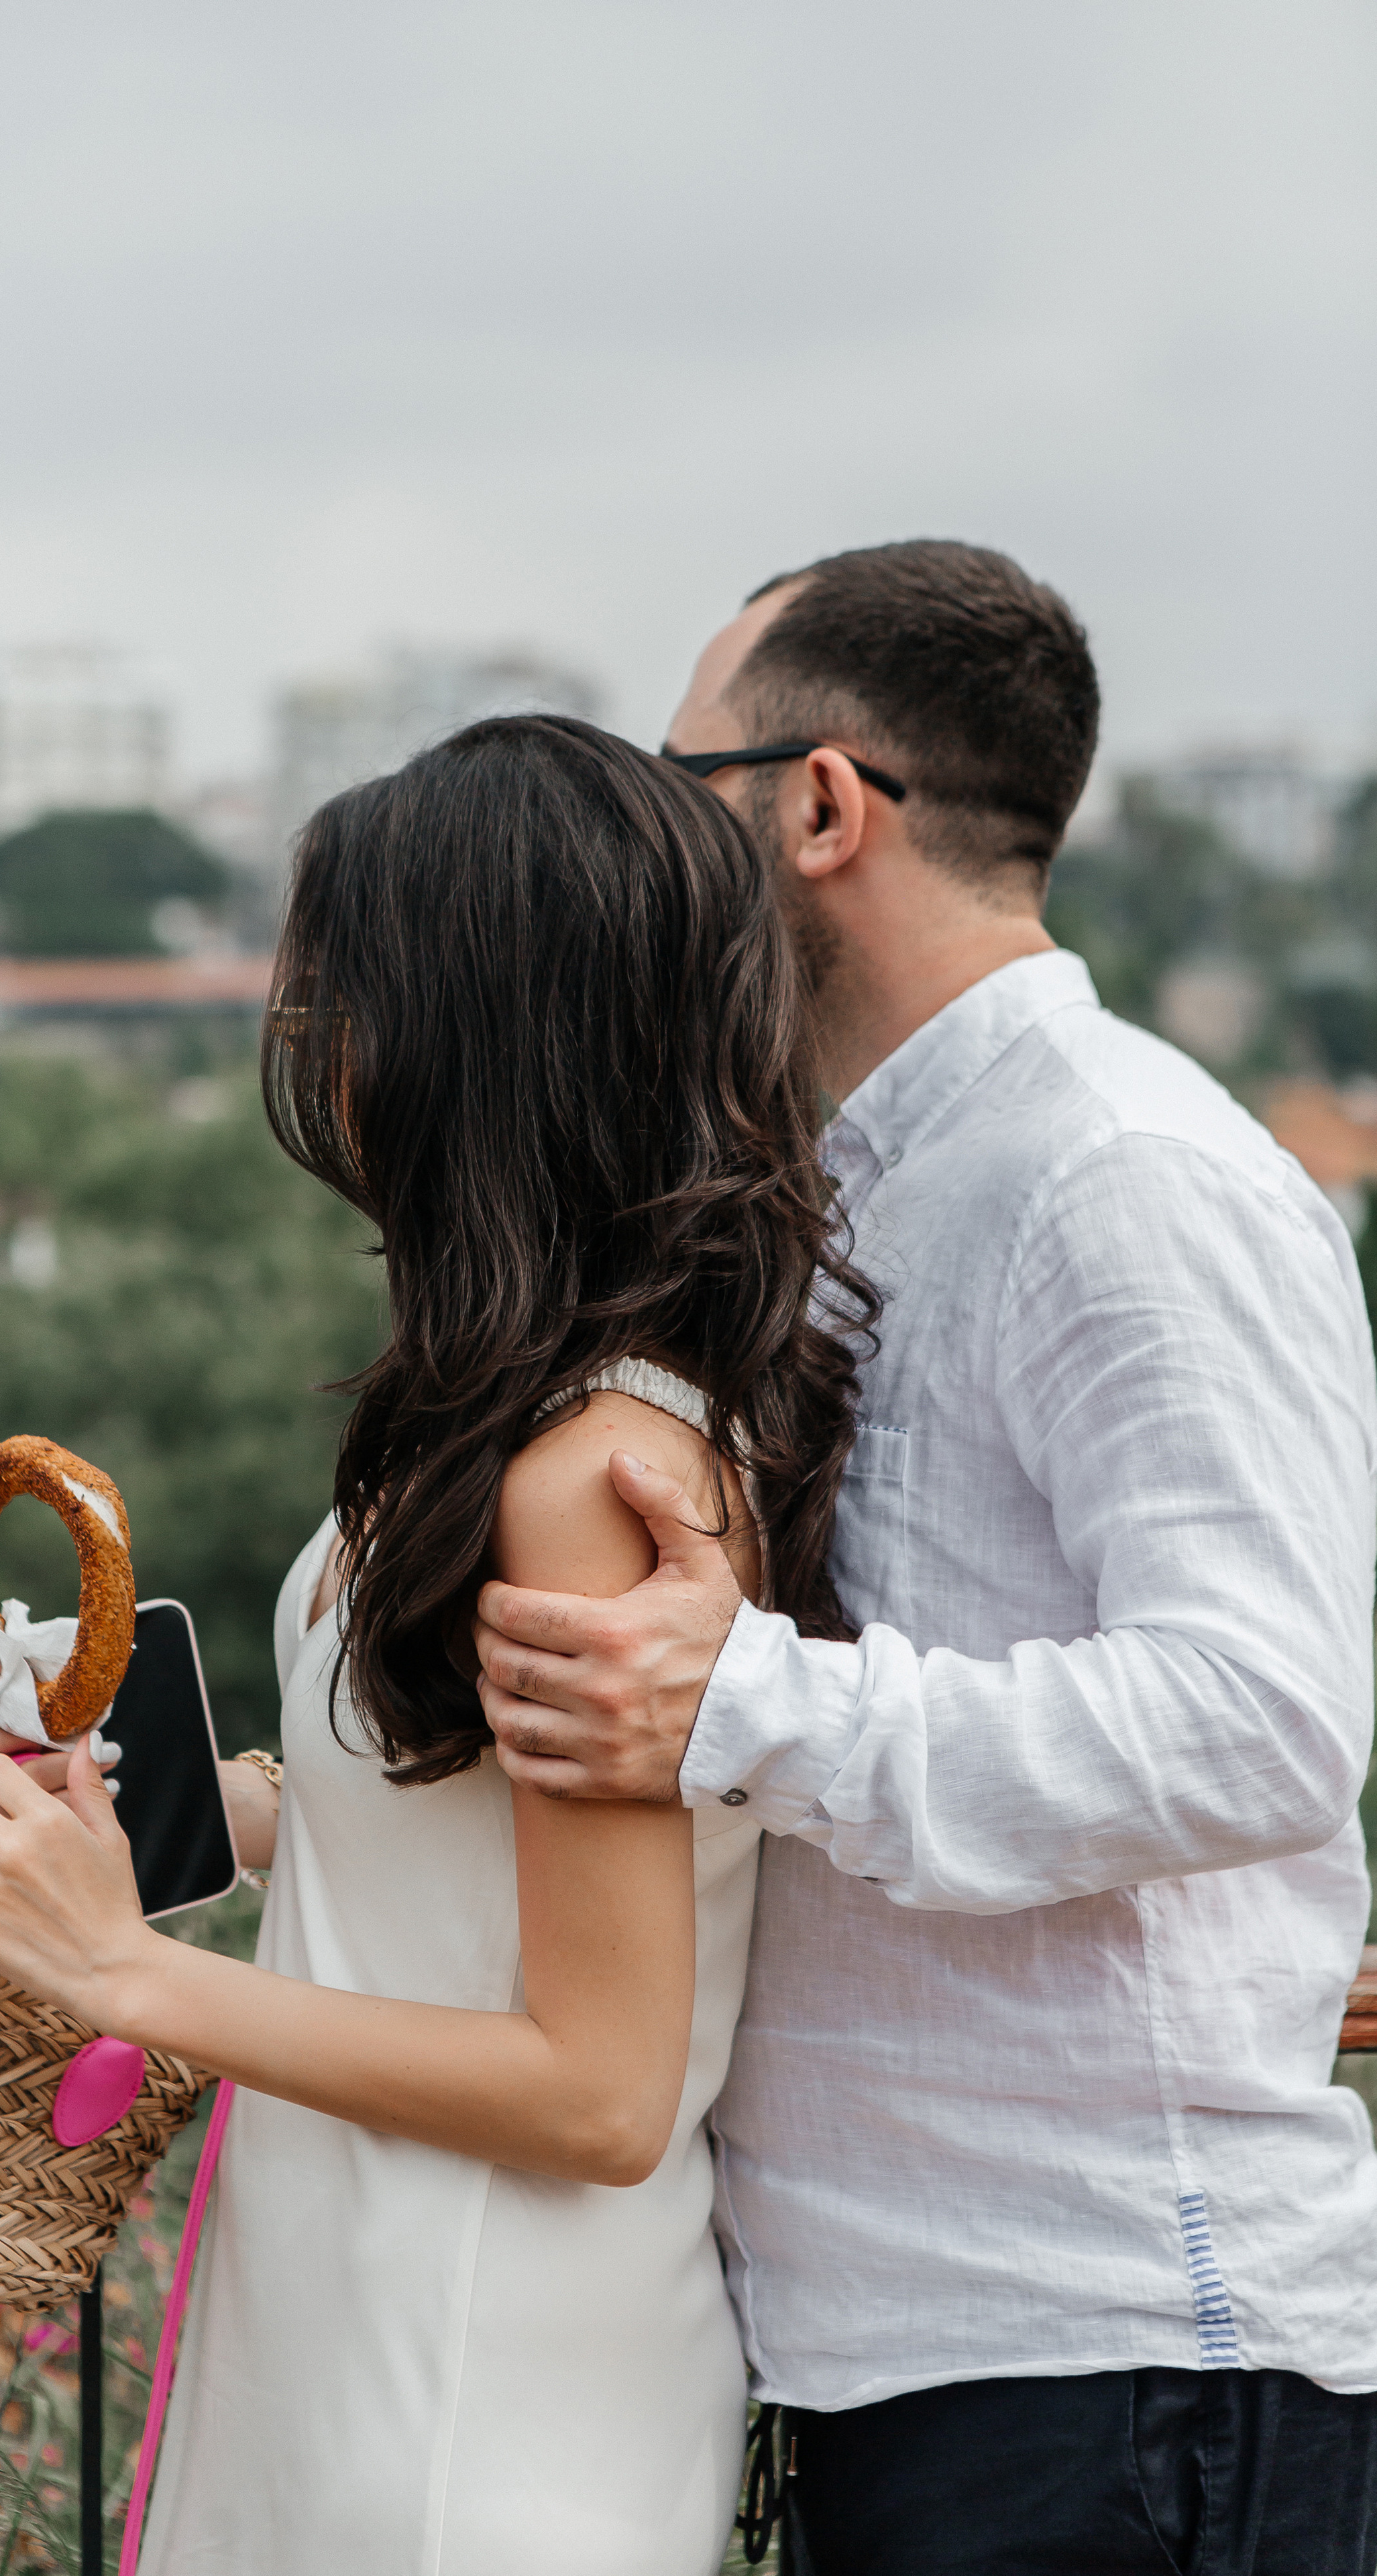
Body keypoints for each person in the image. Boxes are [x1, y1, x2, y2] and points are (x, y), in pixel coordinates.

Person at [476, 541, 1377, 2576]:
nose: (658, 849)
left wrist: (743, 1703)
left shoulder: (1120, 1173)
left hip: (1115, 2359)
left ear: (819, 806)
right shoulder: (862, 1184)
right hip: (923, 2361)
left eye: (685, 783)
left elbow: (1262, 1720)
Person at [0, 716, 875, 2575]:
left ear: (467, 1031)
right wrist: (130, 1775)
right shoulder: (547, 1415)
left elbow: (601, 2088)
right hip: (369, 2326)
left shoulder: (593, 1469)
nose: (318, 1042)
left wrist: (121, 1971)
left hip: (472, 2395)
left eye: (342, 991)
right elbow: (459, 1845)